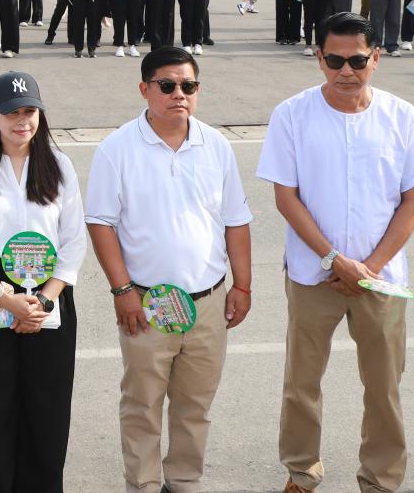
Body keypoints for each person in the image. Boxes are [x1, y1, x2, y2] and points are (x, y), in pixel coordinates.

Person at [256, 11, 414, 493]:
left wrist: (368, 269)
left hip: (382, 279)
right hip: (312, 274)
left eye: (357, 60)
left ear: (376, 58)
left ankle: (380, 479)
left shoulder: (402, 117)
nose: (345, 70)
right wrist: (334, 260)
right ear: (319, 58)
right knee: (302, 382)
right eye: (334, 60)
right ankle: (301, 470)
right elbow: (286, 197)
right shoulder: (291, 114)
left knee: (384, 387)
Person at [86, 47, 253, 493]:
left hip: (208, 301)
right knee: (141, 405)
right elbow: (100, 223)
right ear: (145, 89)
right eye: (168, 85)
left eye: (188, 86)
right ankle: (142, 484)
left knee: (195, 405)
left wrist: (243, 286)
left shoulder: (216, 145)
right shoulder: (117, 149)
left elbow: (236, 221)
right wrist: (122, 290)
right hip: (147, 302)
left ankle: (183, 481)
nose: (179, 94)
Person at [0, 72, 84, 492]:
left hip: (49, 293)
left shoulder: (59, 165)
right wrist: (2, 296)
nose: (22, 121)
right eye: (11, 113)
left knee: (47, 409)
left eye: (30, 111)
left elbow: (74, 242)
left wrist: (43, 302)